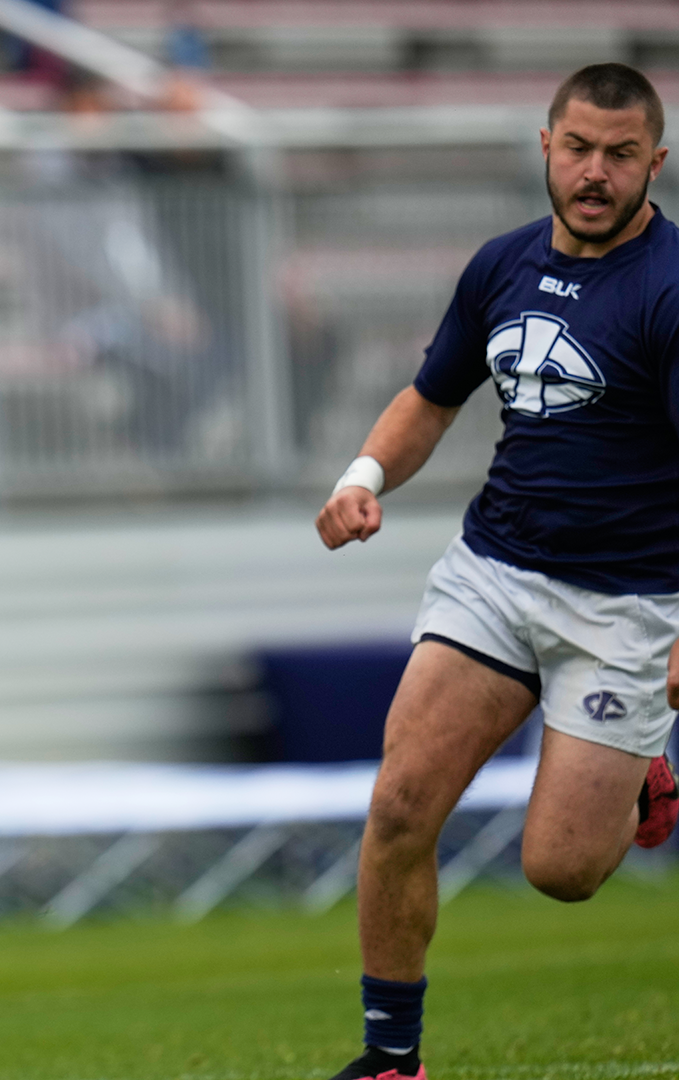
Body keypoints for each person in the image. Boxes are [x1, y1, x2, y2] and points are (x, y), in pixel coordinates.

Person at [314, 62, 679, 1080]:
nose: (595, 173)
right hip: (496, 571)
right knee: (399, 808)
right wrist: (362, 474)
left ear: (656, 161)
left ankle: (645, 773)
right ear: (547, 145)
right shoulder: (501, 264)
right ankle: (393, 1061)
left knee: (560, 872)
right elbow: (432, 396)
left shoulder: (672, 289)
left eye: (619, 155)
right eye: (578, 148)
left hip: (629, 605)